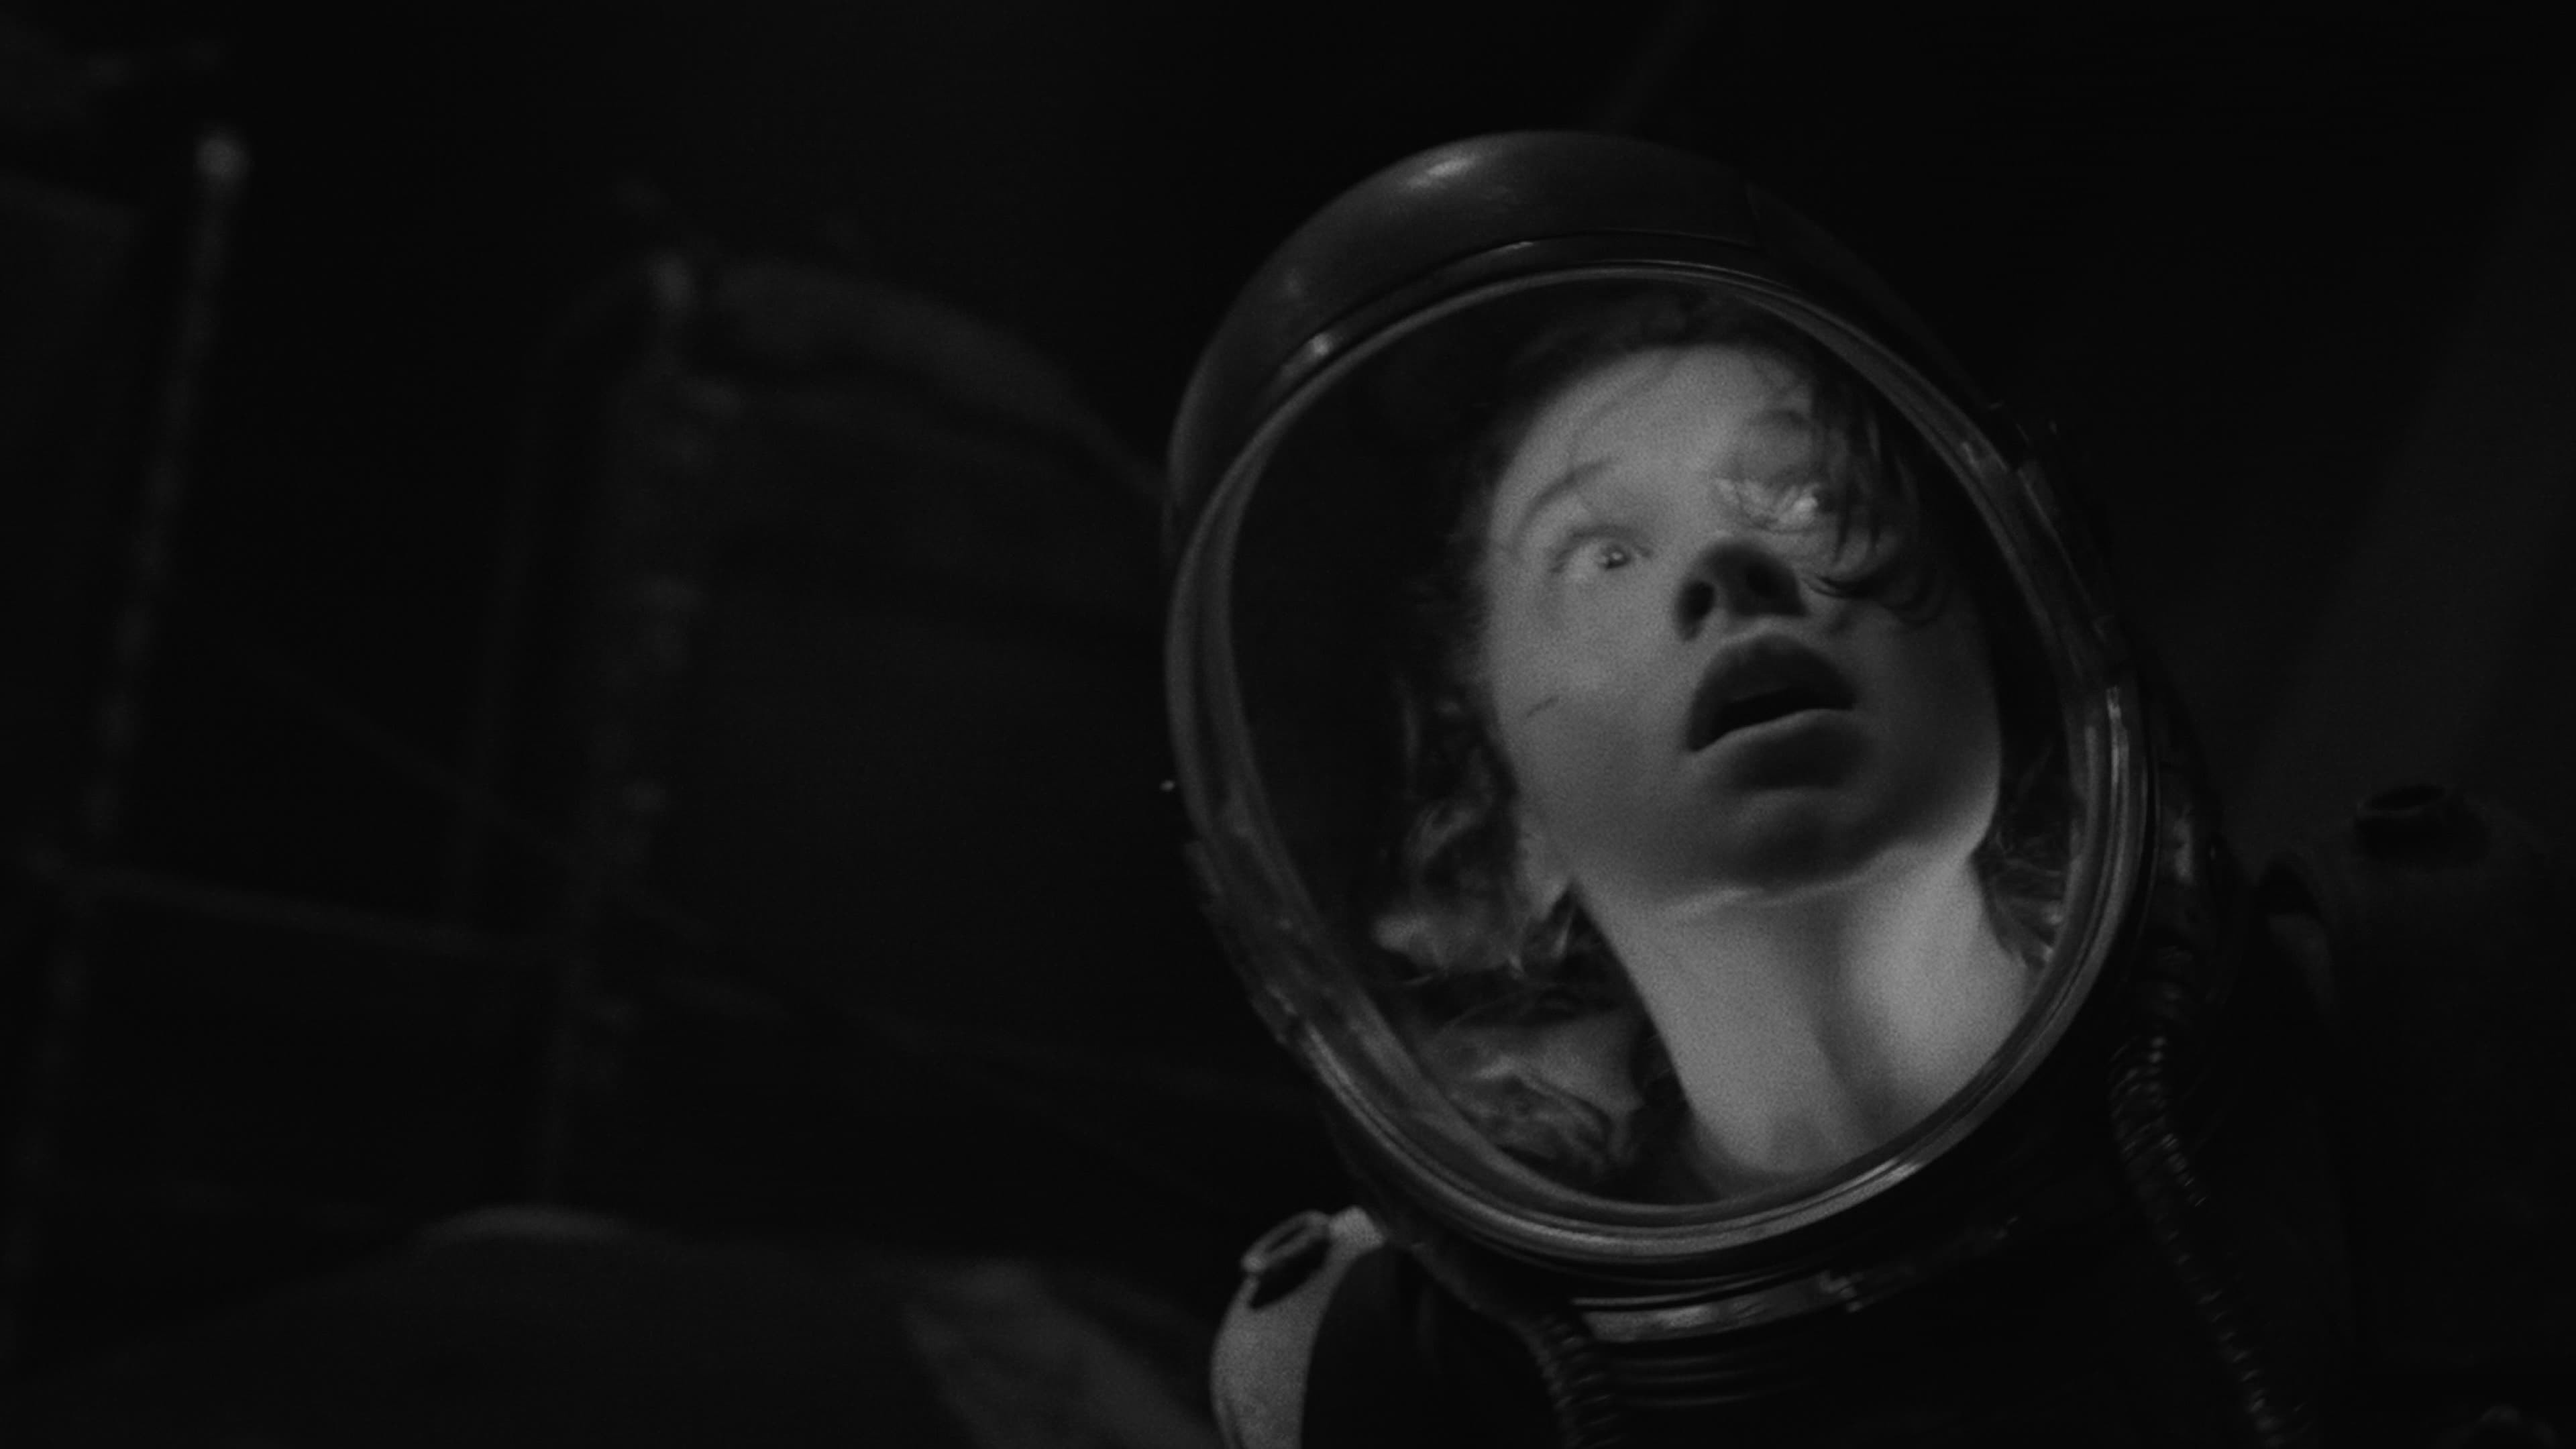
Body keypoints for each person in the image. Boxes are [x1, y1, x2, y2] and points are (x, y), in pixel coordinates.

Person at [1164, 133, 2576, 1447]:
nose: (1731, 571)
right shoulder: (1380, 1393)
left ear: (2007, 636)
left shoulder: (2420, 1021)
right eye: (1603, 556)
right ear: (1500, 797)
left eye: (1806, 500)